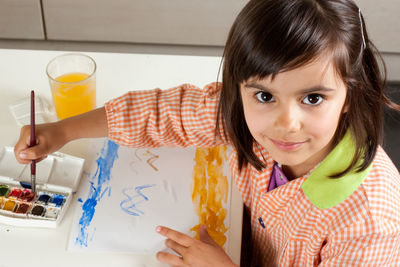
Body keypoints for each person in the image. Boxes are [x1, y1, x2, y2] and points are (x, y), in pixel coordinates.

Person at [14, 0, 400, 266]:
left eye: (313, 98)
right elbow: (167, 114)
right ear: (239, 88)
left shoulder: (369, 223)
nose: (286, 122)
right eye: (265, 95)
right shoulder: (241, 116)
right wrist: (63, 130)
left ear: (351, 92)